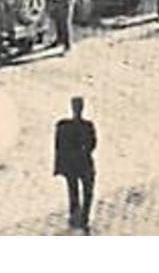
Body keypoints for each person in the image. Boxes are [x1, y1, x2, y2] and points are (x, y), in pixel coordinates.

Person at [53, 97, 97, 233]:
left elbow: (59, 148)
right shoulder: (87, 126)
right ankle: (83, 217)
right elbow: (92, 144)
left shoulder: (63, 126)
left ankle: (76, 215)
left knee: (74, 191)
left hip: (72, 165)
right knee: (86, 191)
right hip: (83, 164)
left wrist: (59, 166)